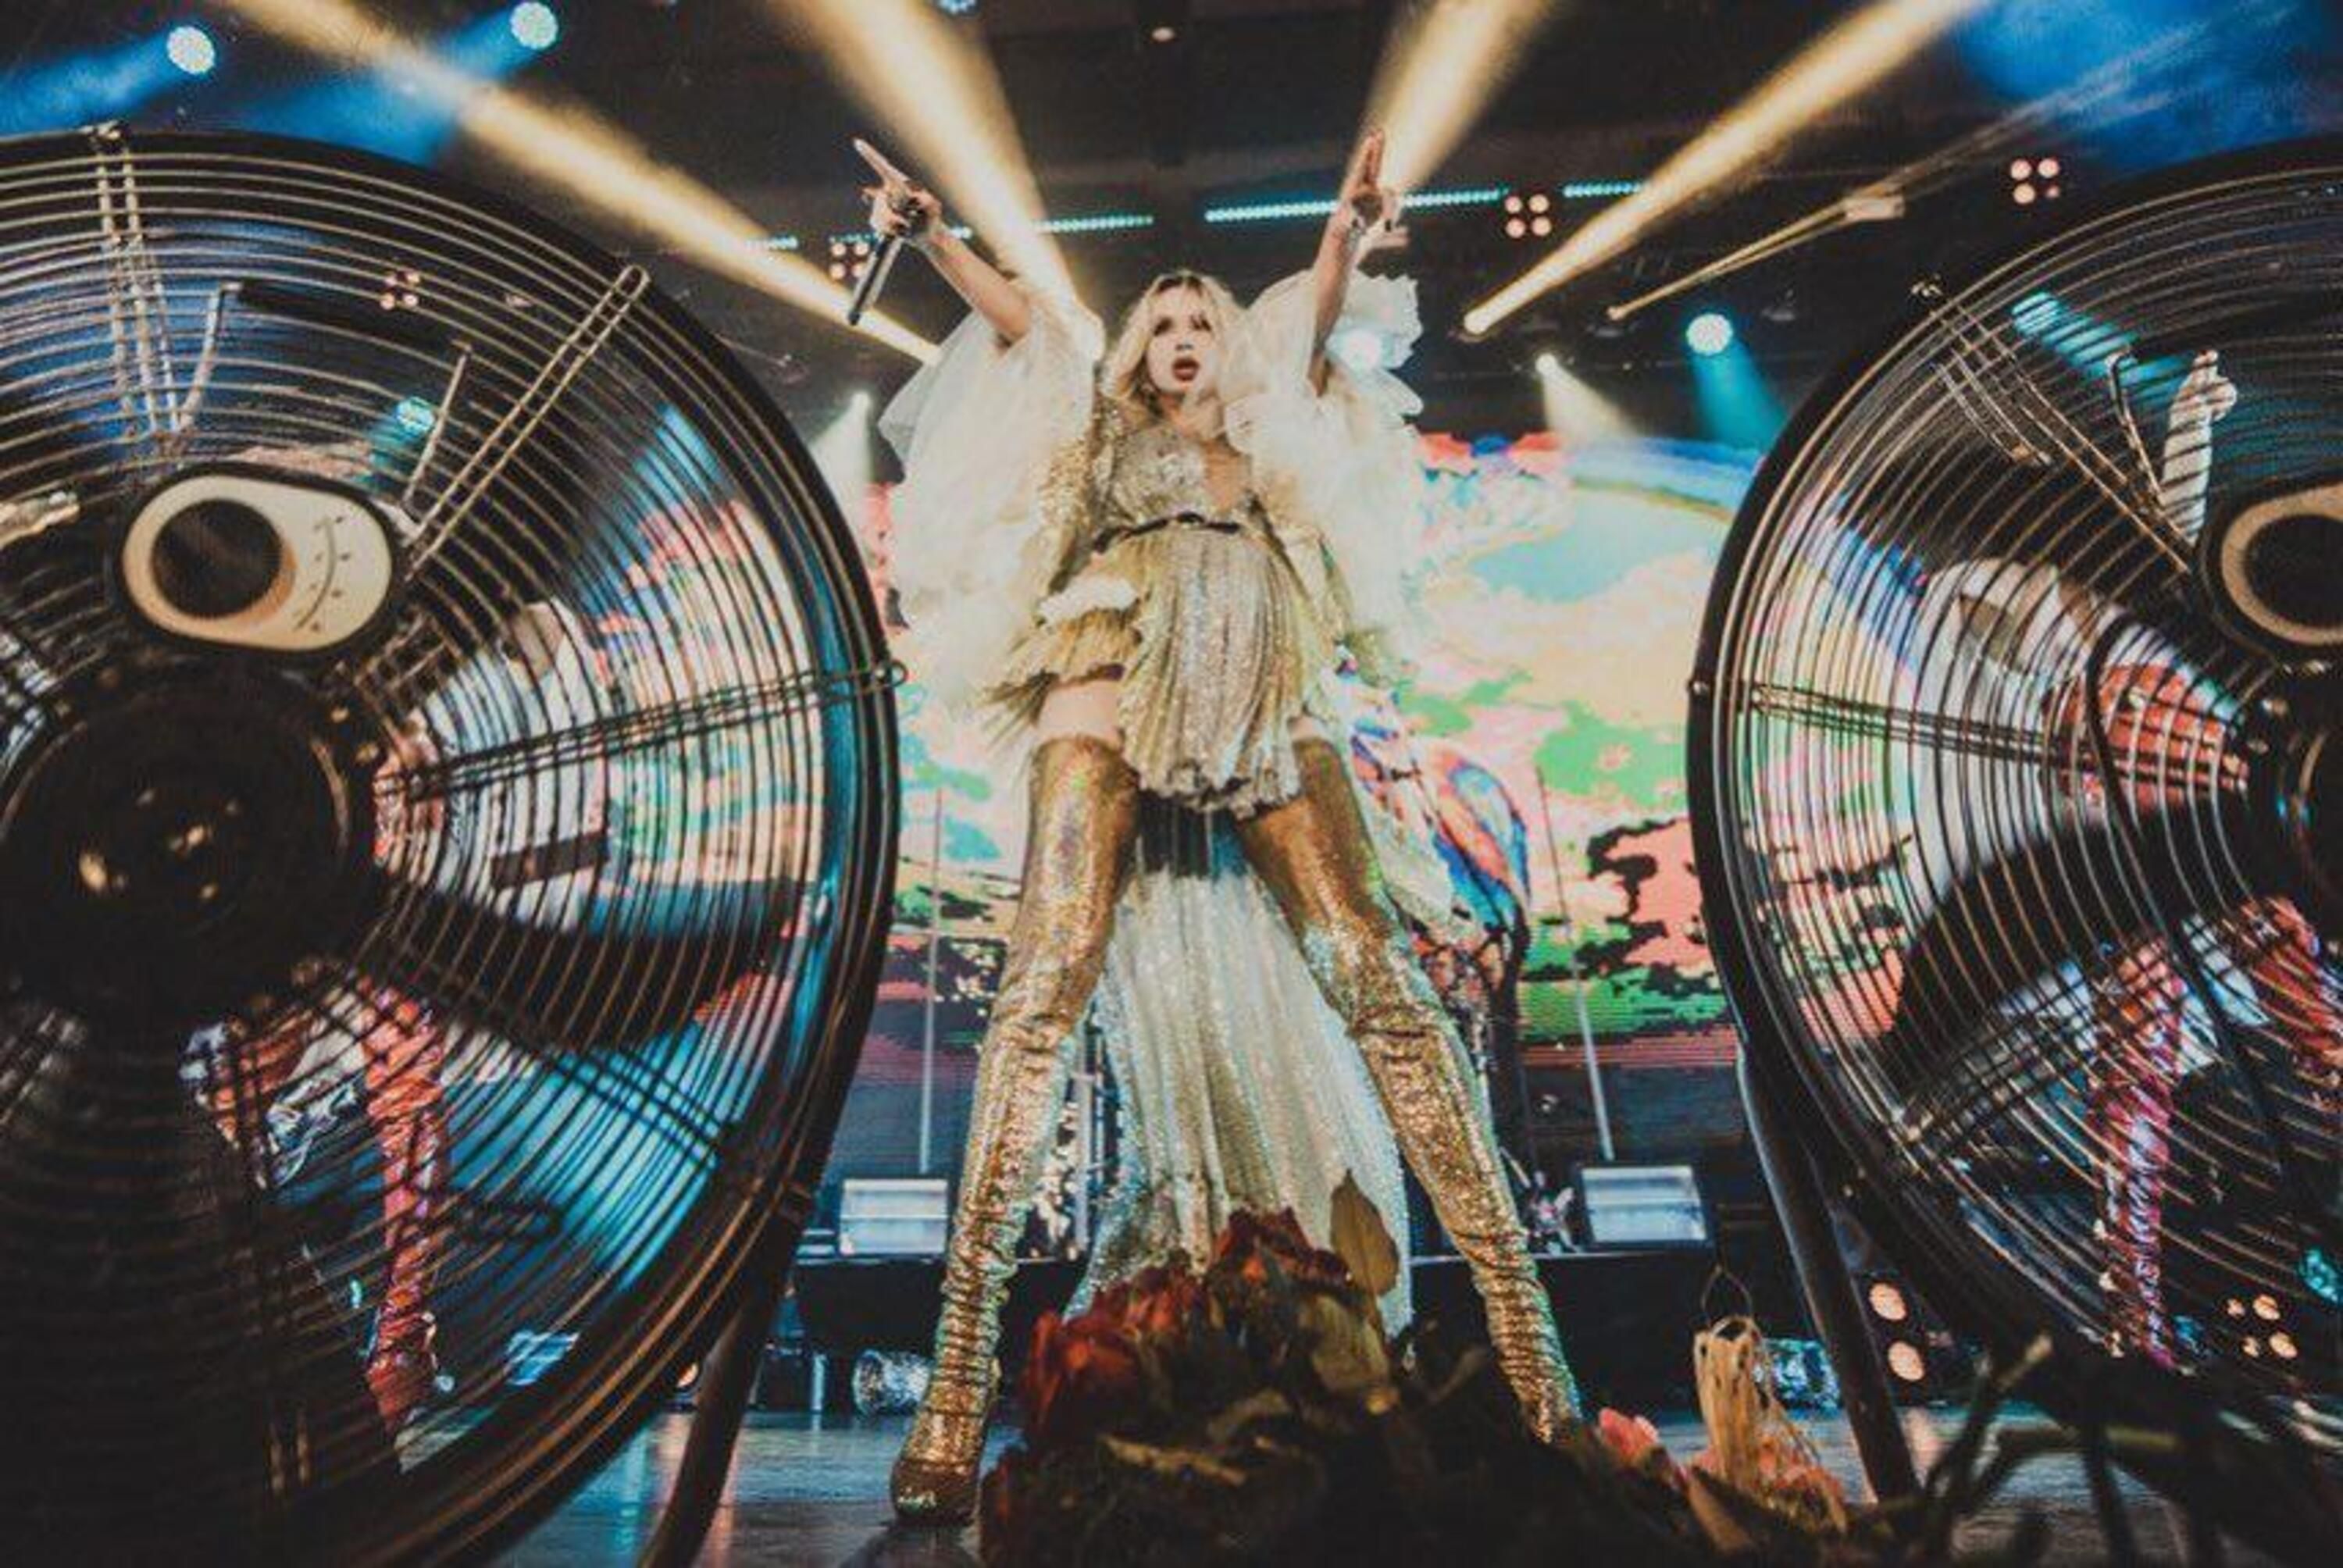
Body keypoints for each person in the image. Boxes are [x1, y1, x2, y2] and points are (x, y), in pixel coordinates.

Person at [862, 132, 1580, 1522]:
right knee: (1045, 981)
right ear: (1140, 349)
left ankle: (1530, 1355)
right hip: (1110, 667)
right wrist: (935, 237)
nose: (1186, 339)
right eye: (1166, 324)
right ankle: (952, 1386)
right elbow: (1021, 325)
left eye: (1204, 322)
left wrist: (1345, 233)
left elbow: (1309, 325)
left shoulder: (1270, 440)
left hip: (1265, 685)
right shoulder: (1097, 433)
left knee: (1375, 976)